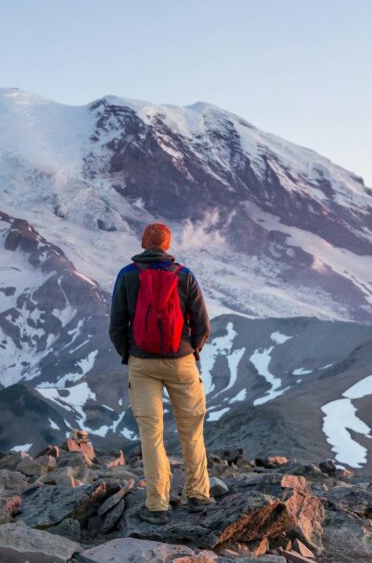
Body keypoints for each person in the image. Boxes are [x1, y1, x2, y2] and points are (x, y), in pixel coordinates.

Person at [109, 221, 213, 524]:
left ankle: (157, 504)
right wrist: (191, 351)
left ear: (144, 243)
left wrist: (129, 355)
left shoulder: (127, 275)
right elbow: (202, 324)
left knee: (151, 435)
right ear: (167, 245)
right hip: (181, 361)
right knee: (192, 431)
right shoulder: (185, 276)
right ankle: (197, 495)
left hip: (142, 365)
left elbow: (117, 324)